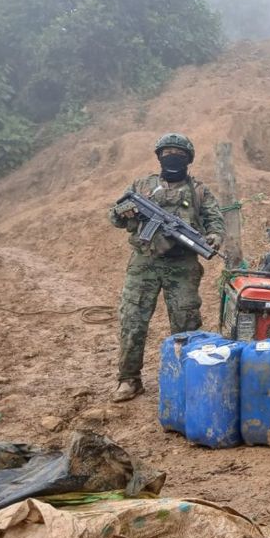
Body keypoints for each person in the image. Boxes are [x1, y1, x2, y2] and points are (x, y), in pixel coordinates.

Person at [108, 133, 225, 402]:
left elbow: (215, 222)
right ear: (159, 157)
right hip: (144, 263)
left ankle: (187, 379)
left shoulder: (199, 191)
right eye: (167, 153)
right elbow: (114, 215)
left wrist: (213, 238)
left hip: (182, 265)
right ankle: (129, 379)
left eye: (179, 154)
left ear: (188, 160)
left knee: (186, 323)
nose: (172, 158)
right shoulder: (142, 186)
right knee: (132, 321)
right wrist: (123, 212)